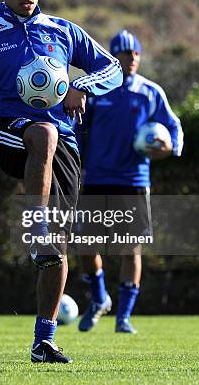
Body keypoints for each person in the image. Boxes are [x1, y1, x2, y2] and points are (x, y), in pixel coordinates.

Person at [0, 0, 123, 363]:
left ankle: (43, 340)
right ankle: (34, 223)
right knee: (41, 132)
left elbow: (112, 68)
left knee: (57, 249)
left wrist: (81, 85)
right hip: (7, 132)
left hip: (63, 146)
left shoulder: (63, 31)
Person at [77, 29, 183, 334]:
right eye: (125, 53)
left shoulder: (150, 92)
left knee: (130, 249)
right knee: (85, 245)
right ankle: (99, 299)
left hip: (134, 180)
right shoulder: (97, 92)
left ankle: (123, 318)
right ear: (113, 56)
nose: (131, 58)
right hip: (96, 178)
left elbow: (173, 127)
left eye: (135, 53)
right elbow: (80, 129)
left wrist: (169, 148)